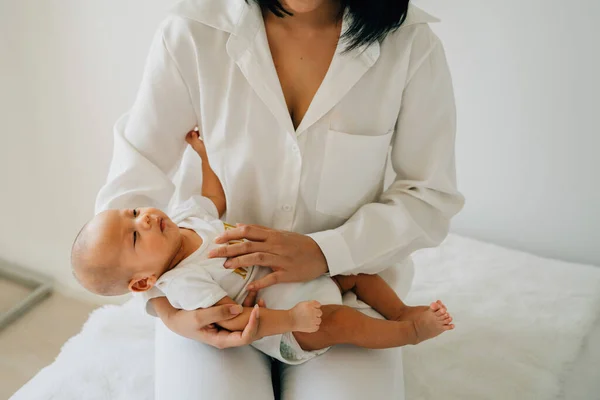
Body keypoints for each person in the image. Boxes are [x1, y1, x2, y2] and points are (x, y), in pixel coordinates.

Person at [95, 0, 465, 398]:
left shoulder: (411, 45)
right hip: (211, 302)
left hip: (343, 293)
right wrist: (169, 312)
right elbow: (131, 184)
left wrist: (325, 252)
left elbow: (429, 196)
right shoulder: (193, 30)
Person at [74, 131, 454, 365]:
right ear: (143, 283)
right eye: (136, 237)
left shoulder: (186, 219)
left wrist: (204, 158)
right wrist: (292, 321)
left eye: (134, 212)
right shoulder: (182, 284)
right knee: (342, 322)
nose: (144, 219)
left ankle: (401, 310)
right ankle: (410, 333)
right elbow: (234, 317)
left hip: (299, 277)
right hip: (285, 325)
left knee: (355, 272)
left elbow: (214, 199)